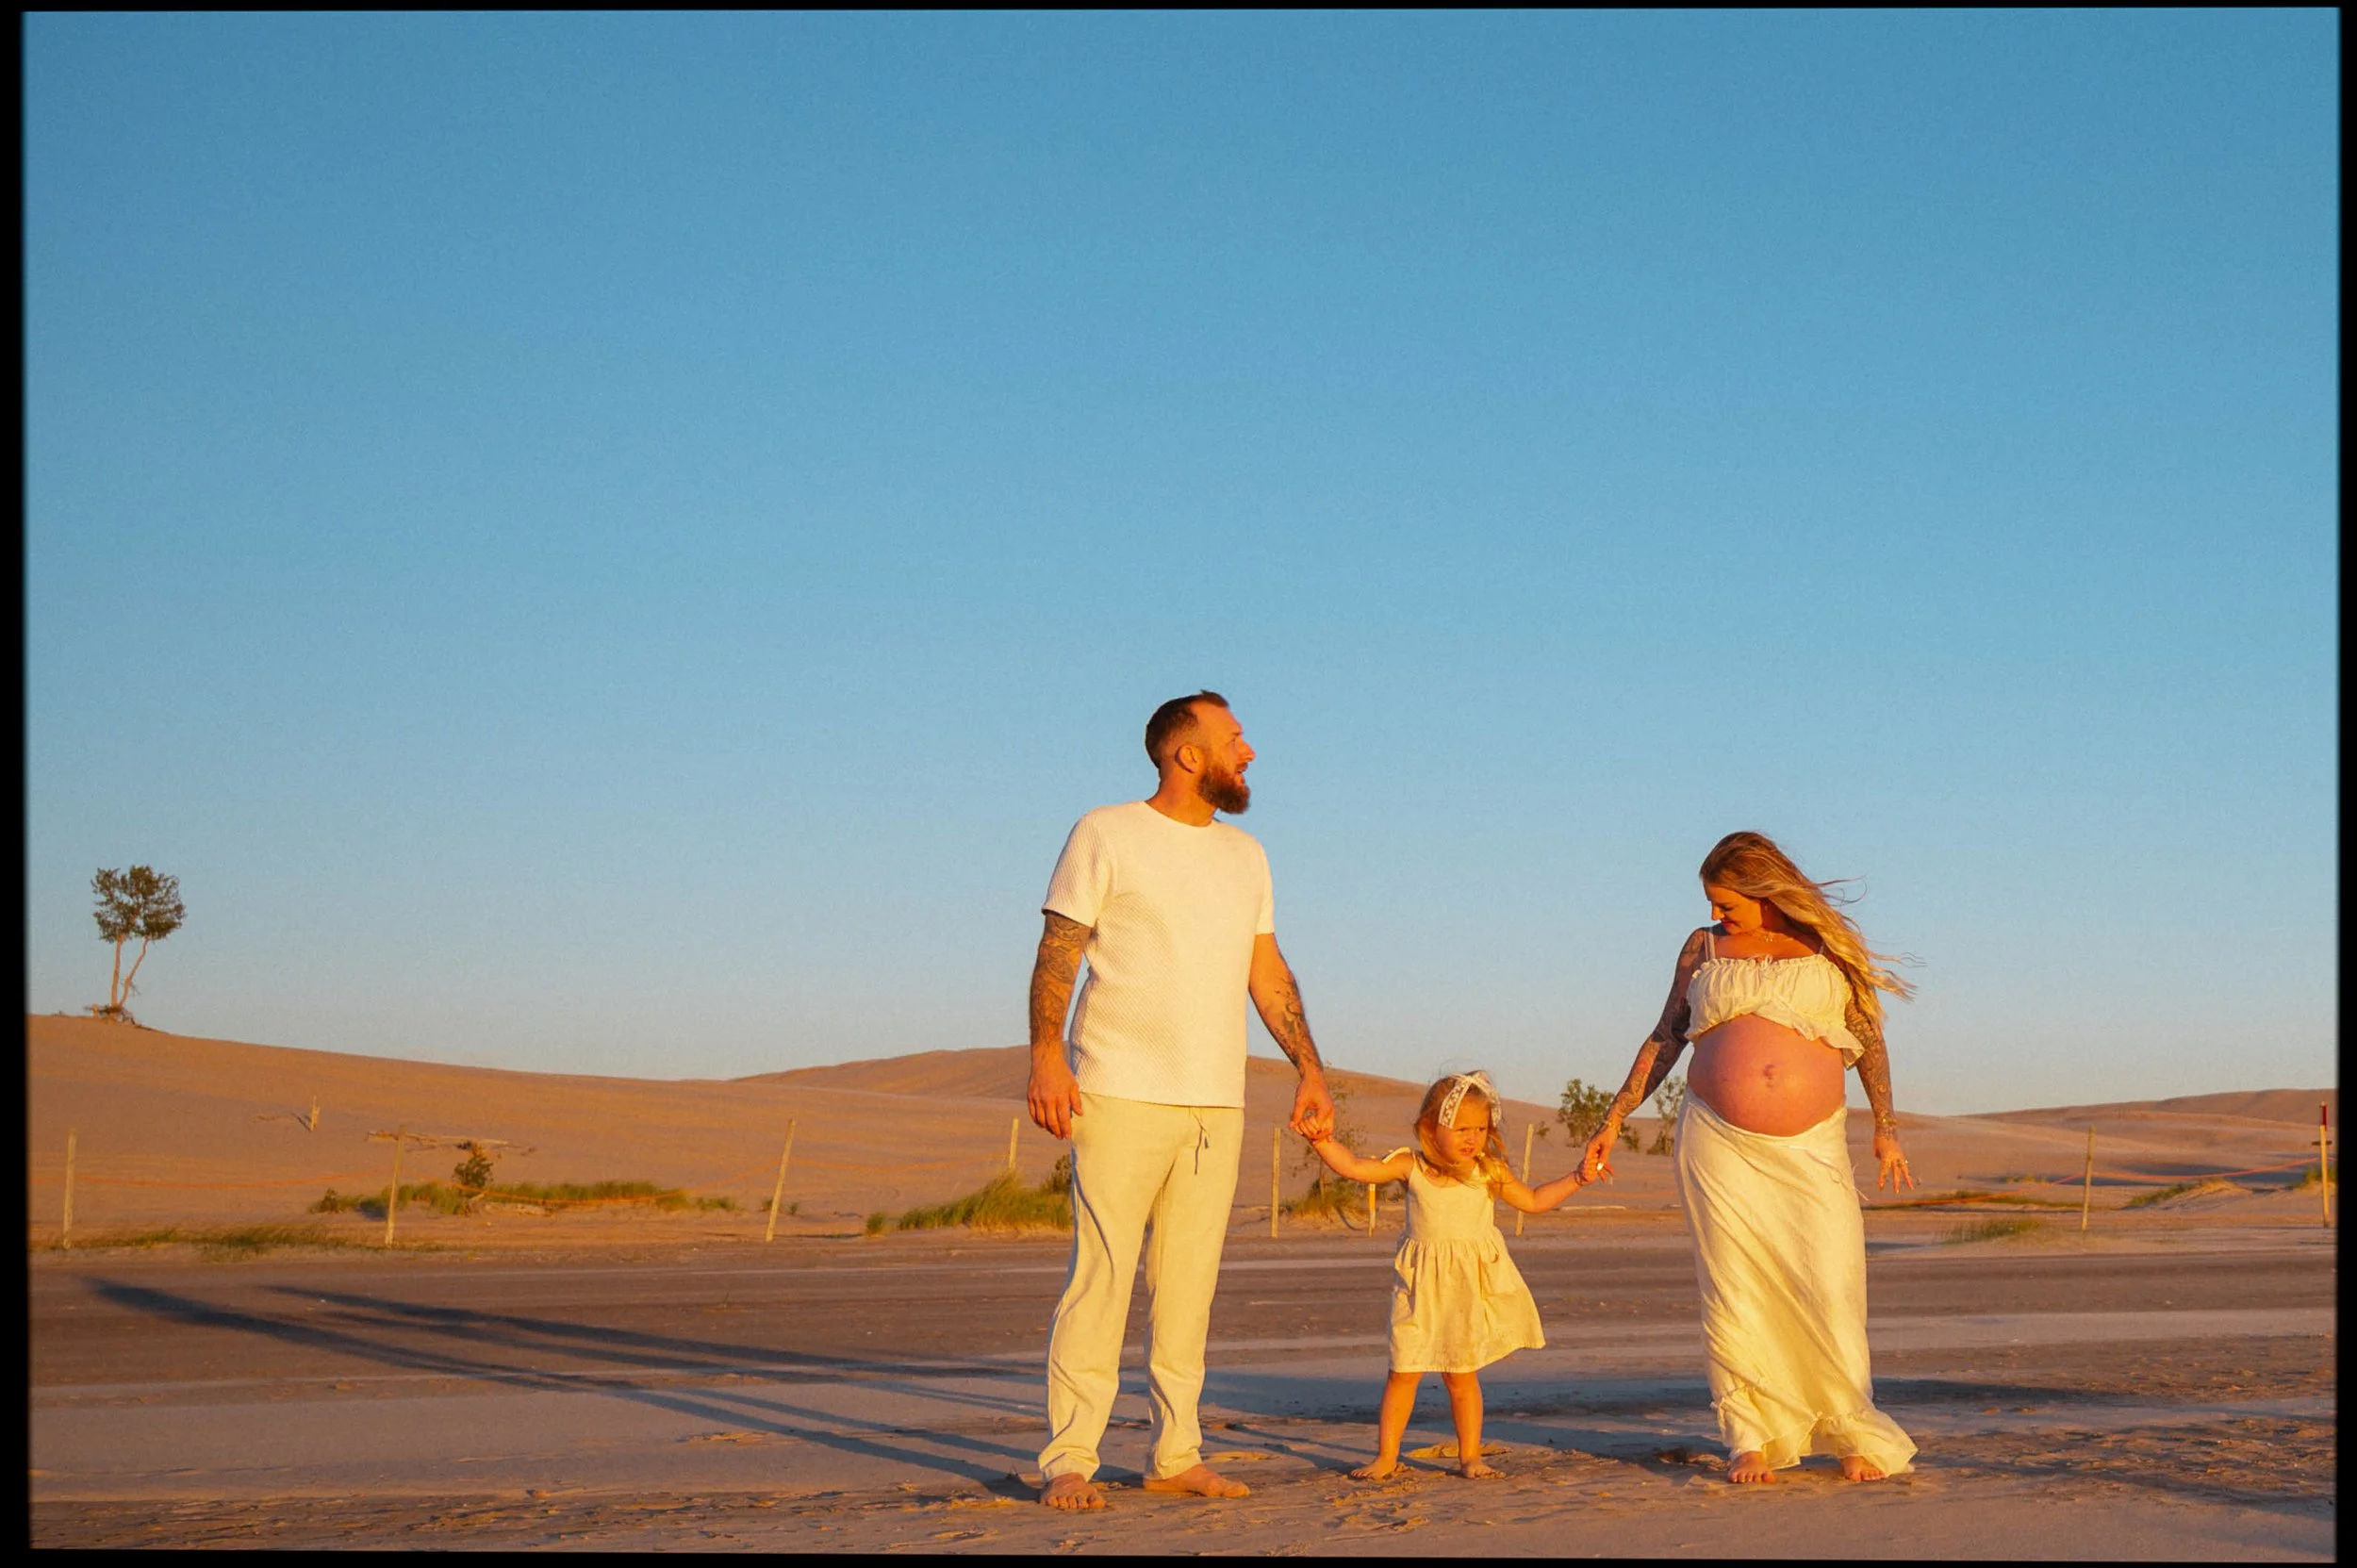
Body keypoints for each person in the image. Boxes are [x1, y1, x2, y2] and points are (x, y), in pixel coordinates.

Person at [1026, 691, 1337, 1511]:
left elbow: (1265, 971)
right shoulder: (1106, 832)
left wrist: (1309, 1065)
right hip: (1118, 1088)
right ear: (1186, 755)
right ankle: (1071, 1457)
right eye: (1234, 738)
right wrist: (1044, 1058)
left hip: (1215, 1101)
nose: (1251, 752)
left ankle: (1175, 1452)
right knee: (1102, 1277)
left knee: (1188, 1286)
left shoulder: (1248, 855)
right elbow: (1059, 948)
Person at [1581, 831, 1919, 1485]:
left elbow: (1869, 1038)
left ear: (1765, 891)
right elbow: (1666, 1036)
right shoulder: (1703, 948)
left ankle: (1850, 1425)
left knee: (1831, 1280)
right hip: (1718, 1142)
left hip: (1812, 1143)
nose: (1717, 915)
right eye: (1712, 903)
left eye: (1727, 903)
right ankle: (1749, 1435)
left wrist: (1886, 1125)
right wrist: (1614, 1116)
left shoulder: (1828, 947)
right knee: (1734, 1286)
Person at [1309, 1071, 1589, 1480]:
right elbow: (1355, 1168)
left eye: (1479, 1128)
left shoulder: (1487, 1171)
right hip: (1418, 1290)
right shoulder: (1412, 1166)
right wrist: (1320, 1141)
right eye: (1460, 1128)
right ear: (1430, 1126)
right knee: (1402, 1373)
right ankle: (1387, 1457)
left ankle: (1470, 1456)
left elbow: (1533, 1199)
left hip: (1464, 1290)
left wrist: (1578, 1178)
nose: (1471, 1137)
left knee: (1461, 1377)